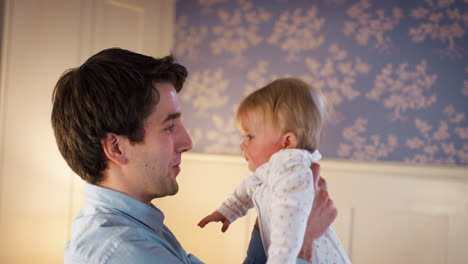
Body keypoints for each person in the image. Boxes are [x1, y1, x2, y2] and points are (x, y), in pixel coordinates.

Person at [51, 48, 337, 264]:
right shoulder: (125, 252)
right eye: (170, 127)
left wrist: (274, 214)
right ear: (116, 148)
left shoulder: (139, 229)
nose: (187, 142)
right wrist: (302, 244)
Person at [198, 78, 351, 264]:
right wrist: (228, 211)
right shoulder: (271, 172)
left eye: (250, 136)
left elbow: (288, 232)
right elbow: (247, 187)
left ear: (286, 142)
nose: (242, 145)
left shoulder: (292, 173)